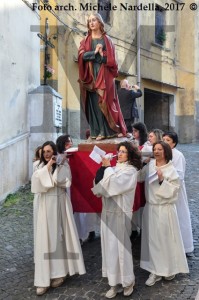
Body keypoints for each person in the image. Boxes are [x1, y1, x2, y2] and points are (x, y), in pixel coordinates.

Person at [31, 141, 86, 296]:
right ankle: (43, 278)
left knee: (58, 238)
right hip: (44, 206)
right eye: (44, 152)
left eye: (49, 151)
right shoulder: (38, 167)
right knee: (44, 239)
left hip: (60, 204)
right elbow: (37, 183)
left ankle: (60, 272)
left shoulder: (63, 165)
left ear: (54, 152)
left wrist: (60, 165)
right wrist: (48, 167)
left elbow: (65, 181)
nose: (47, 154)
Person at [91, 141, 142, 298]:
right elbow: (99, 187)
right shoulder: (114, 169)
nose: (119, 154)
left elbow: (112, 186)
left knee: (121, 248)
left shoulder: (130, 171)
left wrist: (106, 168)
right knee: (109, 248)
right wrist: (103, 168)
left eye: (123, 151)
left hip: (120, 213)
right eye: (118, 151)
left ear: (130, 155)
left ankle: (127, 281)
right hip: (107, 212)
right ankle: (114, 283)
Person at [140, 141, 189, 286]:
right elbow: (139, 177)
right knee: (152, 241)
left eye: (160, 149)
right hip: (151, 208)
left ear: (166, 151)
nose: (156, 151)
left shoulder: (171, 169)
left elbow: (174, 190)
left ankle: (168, 269)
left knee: (165, 240)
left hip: (164, 209)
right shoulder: (150, 165)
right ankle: (155, 271)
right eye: (155, 149)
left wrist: (162, 180)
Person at [78, 13, 127, 141]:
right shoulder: (85, 41)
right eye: (89, 21)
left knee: (106, 102)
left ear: (100, 23)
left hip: (105, 76)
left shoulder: (107, 40)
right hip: (90, 76)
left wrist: (102, 53)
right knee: (94, 103)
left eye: (94, 20)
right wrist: (94, 53)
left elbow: (112, 62)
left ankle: (111, 130)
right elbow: (81, 56)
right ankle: (97, 131)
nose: (91, 23)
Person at [163, 131, 194, 255]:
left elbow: (179, 174)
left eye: (168, 140)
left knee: (179, 216)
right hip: (164, 190)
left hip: (176, 190)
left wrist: (164, 175)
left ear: (174, 143)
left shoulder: (178, 155)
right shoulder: (161, 153)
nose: (165, 142)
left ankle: (184, 246)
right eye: (163, 139)